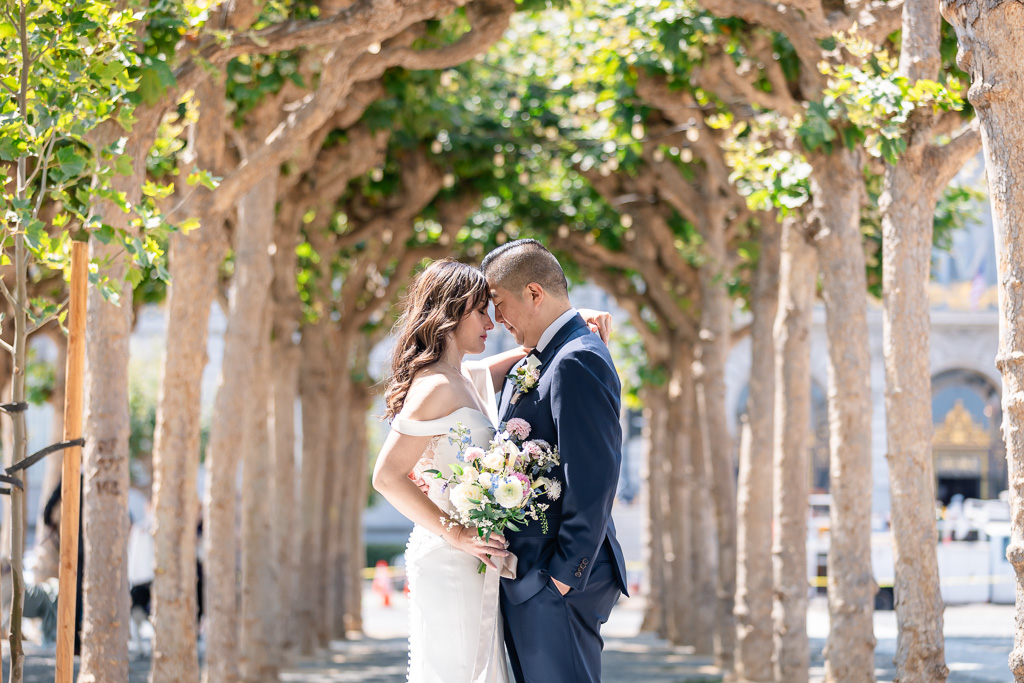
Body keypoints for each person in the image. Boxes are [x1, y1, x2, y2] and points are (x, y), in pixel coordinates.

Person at [372, 258, 612, 683]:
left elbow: (536, 354)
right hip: (453, 555)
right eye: (483, 309)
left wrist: (576, 320)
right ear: (451, 313)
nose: (494, 320)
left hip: (480, 562)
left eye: (494, 306)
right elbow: (386, 477)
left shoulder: (463, 375)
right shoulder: (436, 385)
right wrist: (457, 533)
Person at [482, 239, 628, 683]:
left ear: (533, 293)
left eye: (500, 305)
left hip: (557, 580)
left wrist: (564, 576)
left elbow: (594, 477)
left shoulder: (576, 358)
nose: (497, 320)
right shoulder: (548, 353)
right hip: (534, 576)